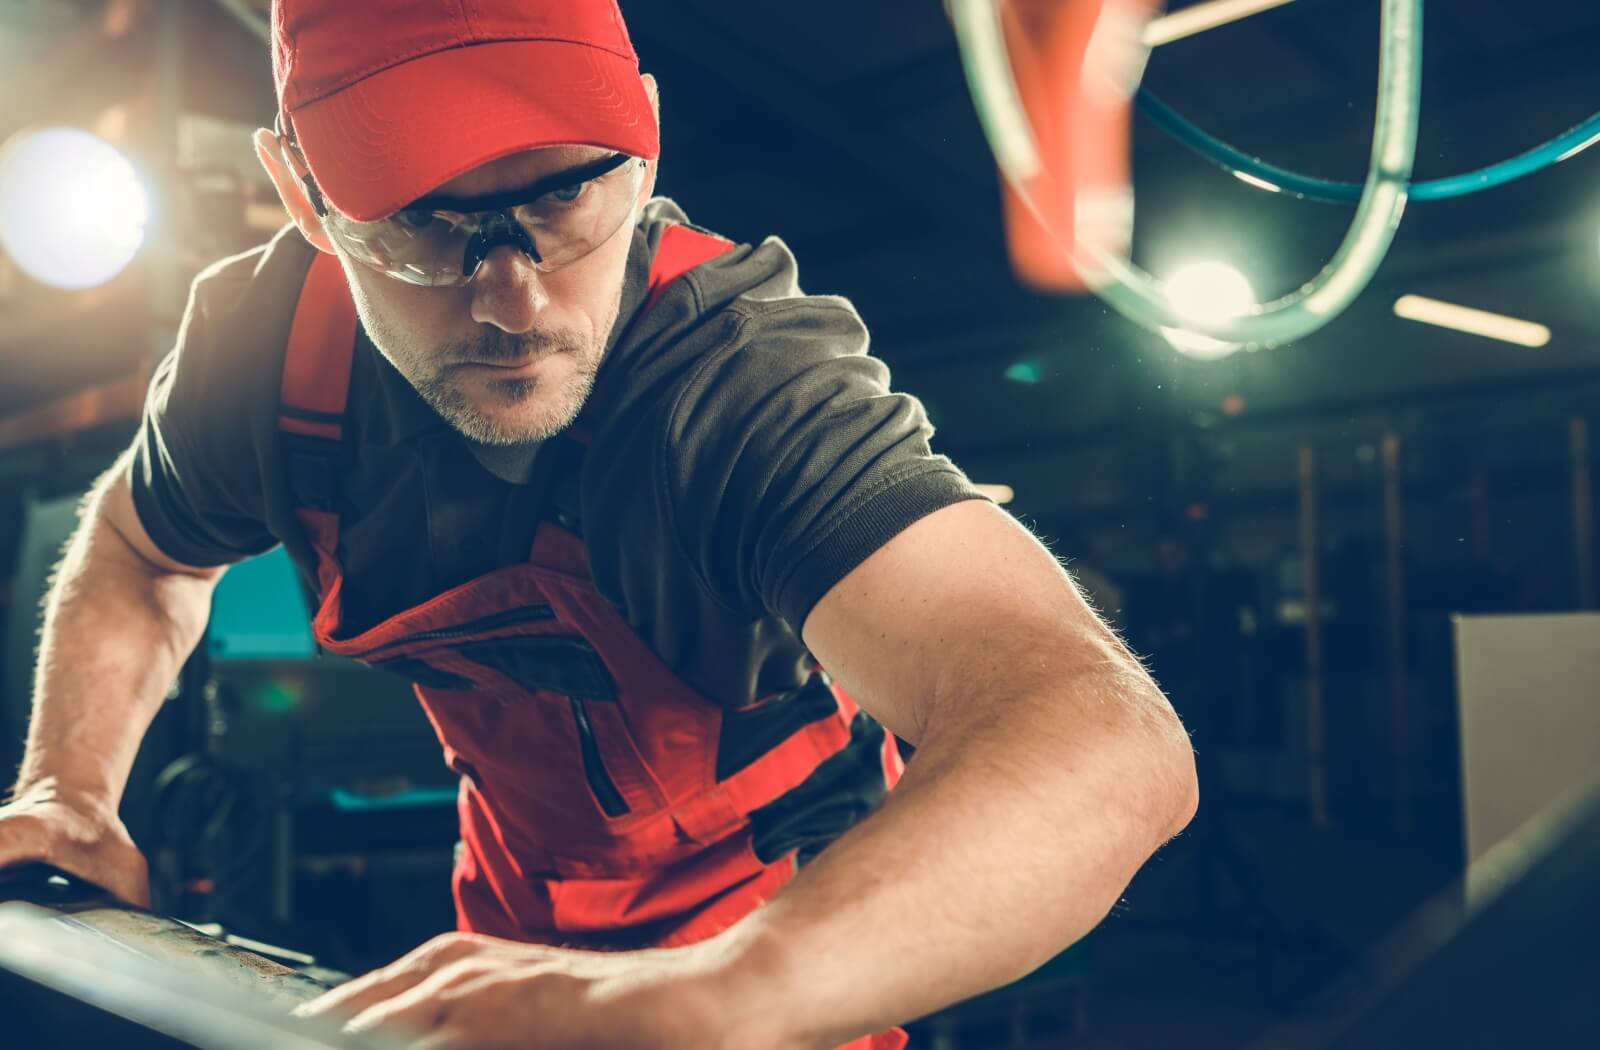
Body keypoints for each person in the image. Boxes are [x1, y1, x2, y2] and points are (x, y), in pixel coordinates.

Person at [0, 2, 1197, 1047]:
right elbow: (140, 555)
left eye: (565, 191)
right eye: (423, 221)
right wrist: (69, 792)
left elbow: (1100, 739)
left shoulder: (734, 386)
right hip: (505, 941)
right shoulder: (263, 359)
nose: (513, 301)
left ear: (648, 136)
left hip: (780, 967)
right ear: (302, 189)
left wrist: (725, 995)